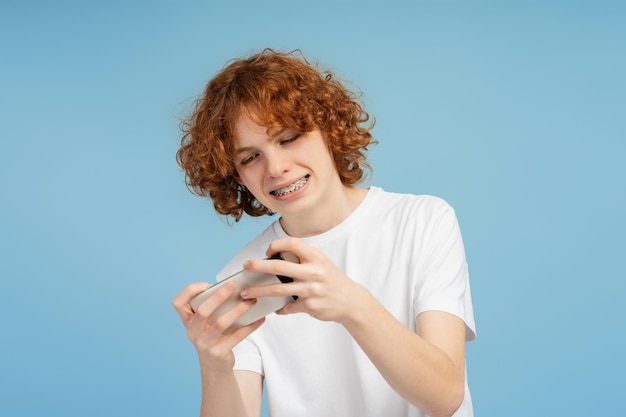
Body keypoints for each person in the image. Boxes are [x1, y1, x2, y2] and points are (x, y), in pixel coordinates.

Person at [172, 49, 476, 417]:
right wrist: (214, 366)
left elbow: (445, 396)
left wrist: (353, 306)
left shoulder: (422, 221)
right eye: (250, 158)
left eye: (288, 138)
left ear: (328, 128)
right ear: (236, 176)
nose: (277, 167)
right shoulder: (247, 277)